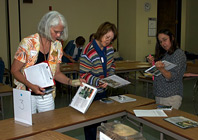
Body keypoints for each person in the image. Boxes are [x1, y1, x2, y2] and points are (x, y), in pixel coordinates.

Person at [11, 11, 85, 114]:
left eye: (61, 32)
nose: (58, 35)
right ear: (46, 27)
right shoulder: (28, 43)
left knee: (47, 125)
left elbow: (56, 73)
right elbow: (14, 70)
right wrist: (31, 85)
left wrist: (71, 82)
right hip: (26, 93)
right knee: (27, 128)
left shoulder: (57, 46)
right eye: (56, 31)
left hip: (47, 94)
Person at [80, 21, 118, 140]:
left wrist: (111, 77)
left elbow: (112, 65)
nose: (108, 41)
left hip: (102, 91)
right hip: (88, 91)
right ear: (101, 33)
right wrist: (98, 82)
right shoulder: (88, 50)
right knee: (90, 126)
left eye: (111, 39)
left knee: (102, 125)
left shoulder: (110, 49)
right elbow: (83, 75)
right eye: (107, 37)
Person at [147, 29, 186, 109]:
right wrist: (153, 64)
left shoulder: (178, 54)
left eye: (165, 40)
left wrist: (161, 69)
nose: (163, 44)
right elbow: (158, 72)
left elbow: (172, 76)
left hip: (171, 96)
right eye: (160, 42)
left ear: (172, 38)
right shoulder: (166, 54)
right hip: (160, 94)